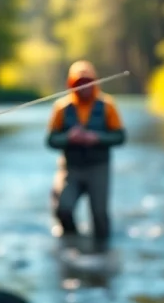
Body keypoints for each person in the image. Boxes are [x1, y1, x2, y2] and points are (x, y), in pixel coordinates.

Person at [47, 59, 126, 253]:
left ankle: (102, 252)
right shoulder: (61, 107)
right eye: (78, 83)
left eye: (87, 82)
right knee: (63, 209)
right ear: (71, 85)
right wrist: (68, 137)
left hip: (98, 168)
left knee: (100, 216)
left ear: (95, 82)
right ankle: (72, 245)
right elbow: (50, 140)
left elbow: (120, 137)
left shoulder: (108, 105)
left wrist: (96, 138)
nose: (84, 87)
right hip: (70, 169)